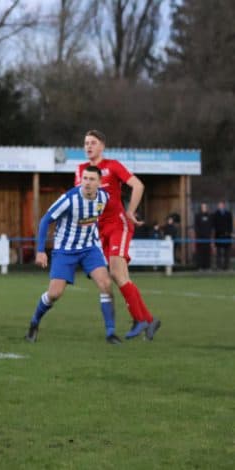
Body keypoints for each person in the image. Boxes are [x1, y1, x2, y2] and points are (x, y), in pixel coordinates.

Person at [75, 130, 161, 340]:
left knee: (116, 272)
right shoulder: (80, 170)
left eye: (93, 143)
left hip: (117, 225)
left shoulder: (112, 166)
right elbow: (81, 199)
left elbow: (137, 185)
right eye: (86, 143)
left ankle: (139, 319)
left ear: (102, 146)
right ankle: (149, 321)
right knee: (121, 276)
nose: (88, 147)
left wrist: (130, 211)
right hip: (99, 229)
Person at [25, 166, 121, 344]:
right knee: (54, 294)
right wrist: (40, 251)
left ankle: (110, 333)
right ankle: (34, 322)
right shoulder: (70, 199)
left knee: (106, 284)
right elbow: (46, 219)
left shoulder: (104, 197)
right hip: (65, 250)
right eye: (85, 178)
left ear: (99, 183)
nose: (87, 182)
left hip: (90, 248)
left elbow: (113, 216)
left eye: (92, 179)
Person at [213, 200, 233, 270]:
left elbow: (230, 225)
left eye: (221, 205)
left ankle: (226, 266)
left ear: (224, 205)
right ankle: (219, 266)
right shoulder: (215, 214)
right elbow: (214, 225)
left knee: (227, 252)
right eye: (219, 205)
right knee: (218, 252)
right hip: (218, 235)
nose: (220, 206)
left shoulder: (228, 214)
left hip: (227, 235)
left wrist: (230, 232)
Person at [193, 204, 212, 270]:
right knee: (200, 253)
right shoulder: (197, 216)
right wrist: (199, 234)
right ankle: (200, 266)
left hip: (207, 238)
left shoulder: (209, 216)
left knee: (207, 253)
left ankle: (207, 267)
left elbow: (210, 226)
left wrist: (208, 234)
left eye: (205, 207)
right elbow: (196, 226)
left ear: (206, 208)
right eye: (202, 207)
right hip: (200, 238)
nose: (204, 208)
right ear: (201, 208)